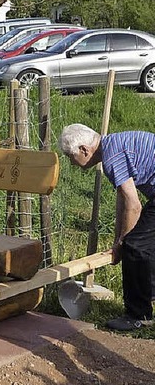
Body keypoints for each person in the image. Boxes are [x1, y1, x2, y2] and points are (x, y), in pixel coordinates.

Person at [58, 123, 155, 331]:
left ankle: (138, 314)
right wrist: (117, 239)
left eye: (70, 156)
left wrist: (123, 243)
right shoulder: (114, 145)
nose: (72, 163)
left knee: (135, 246)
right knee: (141, 242)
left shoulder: (111, 157)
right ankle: (148, 290)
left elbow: (134, 206)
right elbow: (124, 199)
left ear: (84, 149)